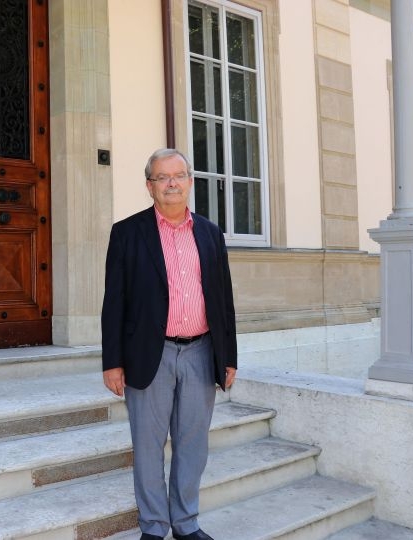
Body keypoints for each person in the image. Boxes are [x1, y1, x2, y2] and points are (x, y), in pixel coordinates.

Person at [101, 148, 237, 540]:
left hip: (201, 350)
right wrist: (113, 362)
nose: (172, 183)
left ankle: (186, 523)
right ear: (150, 186)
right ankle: (154, 526)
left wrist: (228, 357)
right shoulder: (127, 233)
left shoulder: (210, 233)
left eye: (179, 175)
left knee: (193, 443)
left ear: (190, 182)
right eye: (163, 177)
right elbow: (115, 303)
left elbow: (223, 299)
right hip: (150, 354)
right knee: (148, 444)